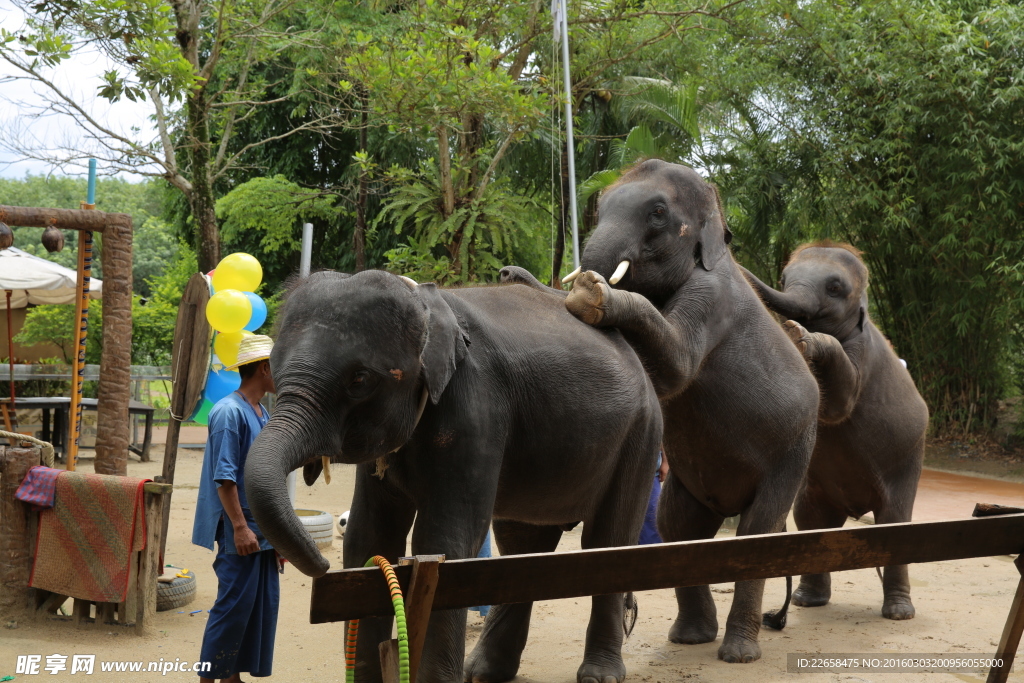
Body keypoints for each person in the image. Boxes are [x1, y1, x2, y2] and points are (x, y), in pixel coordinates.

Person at [192, 335, 279, 683]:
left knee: (256, 607)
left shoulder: (262, 411)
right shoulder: (229, 412)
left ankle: (231, 677)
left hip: (261, 529)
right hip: (238, 529)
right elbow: (225, 479)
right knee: (231, 608)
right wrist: (241, 528)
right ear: (264, 368)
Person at [638, 449, 669, 545]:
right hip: (617, 473)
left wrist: (665, 460)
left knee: (654, 522)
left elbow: (663, 433)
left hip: (650, 473)